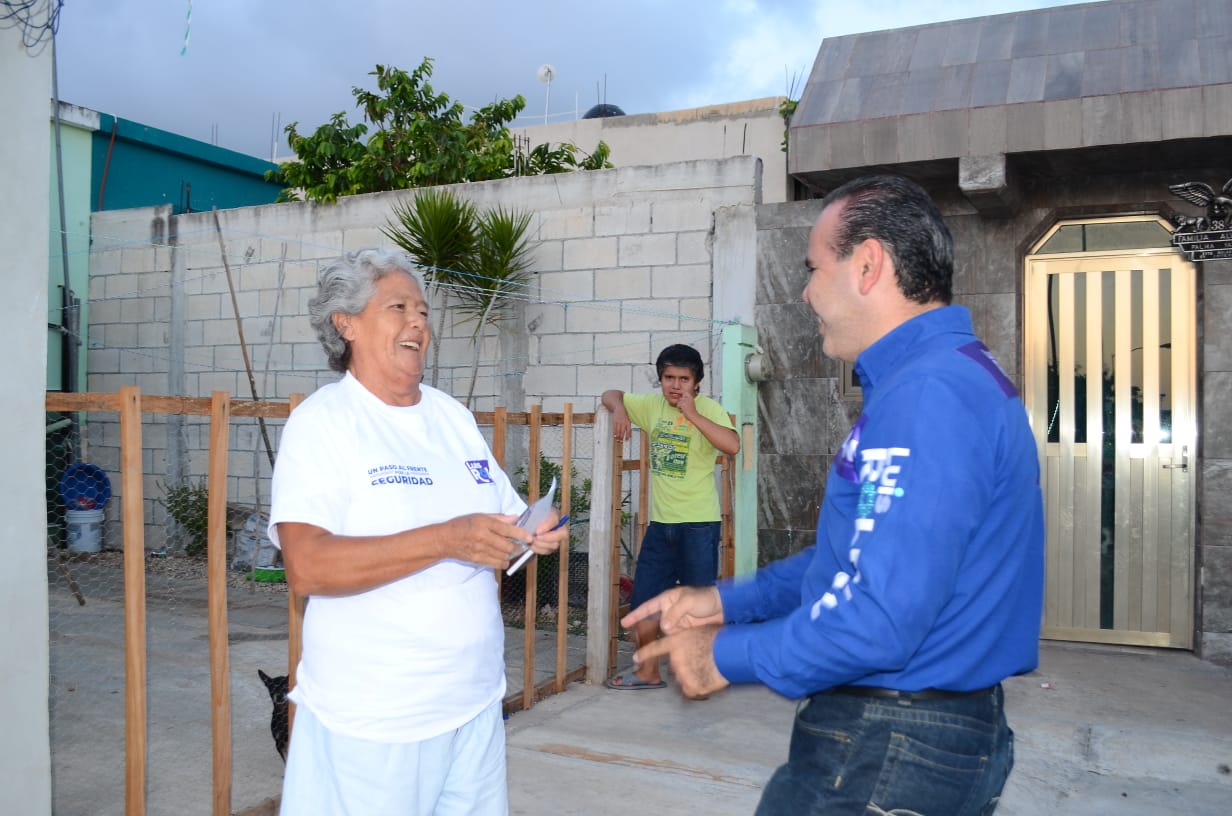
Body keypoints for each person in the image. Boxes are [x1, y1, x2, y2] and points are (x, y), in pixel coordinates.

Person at [625, 175, 1044, 814]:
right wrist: (725, 600)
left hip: (890, 742)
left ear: (868, 265)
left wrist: (722, 656)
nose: (805, 293)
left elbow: (878, 618)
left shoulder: (928, 396)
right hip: (904, 734)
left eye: (814, 269)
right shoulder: (940, 380)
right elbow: (854, 560)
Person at [269, 248, 566, 816]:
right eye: (398, 308)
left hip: (474, 706)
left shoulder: (451, 417)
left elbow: (503, 518)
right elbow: (307, 566)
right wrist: (444, 540)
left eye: (423, 312)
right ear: (346, 324)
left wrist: (535, 529)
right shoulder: (324, 423)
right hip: (375, 723)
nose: (418, 323)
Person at [601, 344, 739, 690]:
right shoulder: (652, 406)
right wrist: (620, 410)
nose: (676, 386)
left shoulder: (709, 409)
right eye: (669, 378)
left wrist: (692, 414)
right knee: (644, 602)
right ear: (661, 379)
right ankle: (648, 672)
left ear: (697, 382)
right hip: (661, 526)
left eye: (684, 379)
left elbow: (733, 445)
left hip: (699, 524)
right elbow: (610, 394)